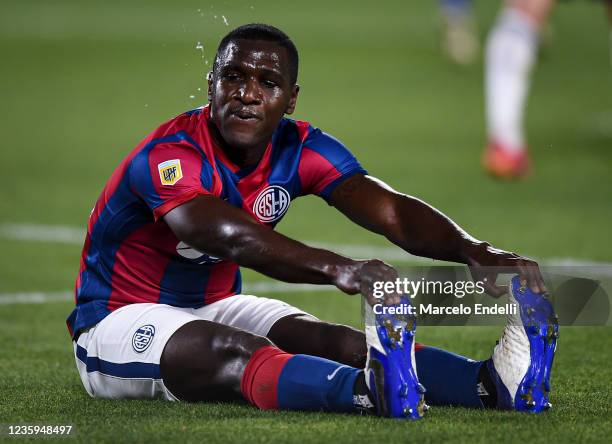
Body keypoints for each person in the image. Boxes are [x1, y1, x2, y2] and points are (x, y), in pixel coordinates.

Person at [68, 23, 557, 419]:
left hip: (212, 302)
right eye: (233, 77)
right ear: (211, 85)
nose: (247, 94)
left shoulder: (301, 146)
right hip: (115, 320)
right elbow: (219, 233)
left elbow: (392, 212)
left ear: (291, 99)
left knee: (335, 341)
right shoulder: (172, 153)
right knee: (227, 349)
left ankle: (489, 385)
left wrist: (474, 251)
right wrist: (339, 267)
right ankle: (368, 393)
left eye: (267, 83)